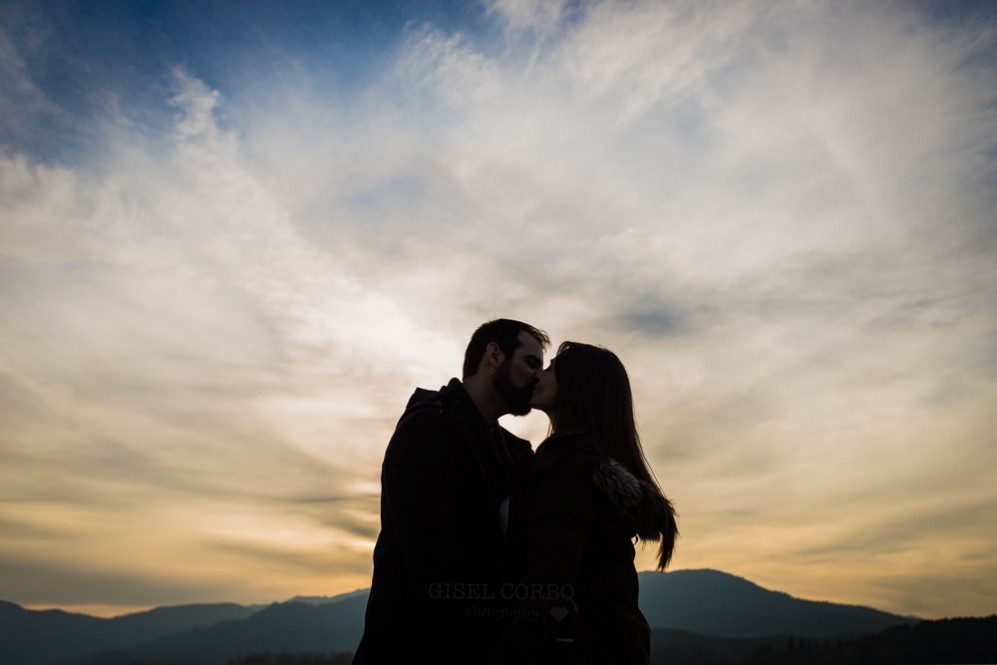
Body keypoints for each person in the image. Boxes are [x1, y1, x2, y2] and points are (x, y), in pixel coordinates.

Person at [353, 319, 551, 665]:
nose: (538, 375)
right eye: (531, 362)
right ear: (494, 355)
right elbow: (437, 568)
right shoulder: (428, 428)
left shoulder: (511, 451)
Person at [486, 341, 679, 665]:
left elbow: (546, 581)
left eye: (550, 369)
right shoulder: (583, 463)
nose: (538, 375)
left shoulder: (567, 467)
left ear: (576, 386)